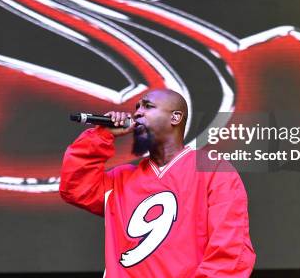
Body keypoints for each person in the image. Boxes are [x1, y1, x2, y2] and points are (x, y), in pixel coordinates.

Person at [60, 88, 255, 277]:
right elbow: (75, 188)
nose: (137, 114)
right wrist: (102, 135)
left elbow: (229, 251)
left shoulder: (212, 170)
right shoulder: (120, 180)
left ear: (175, 118)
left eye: (147, 106)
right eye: (137, 107)